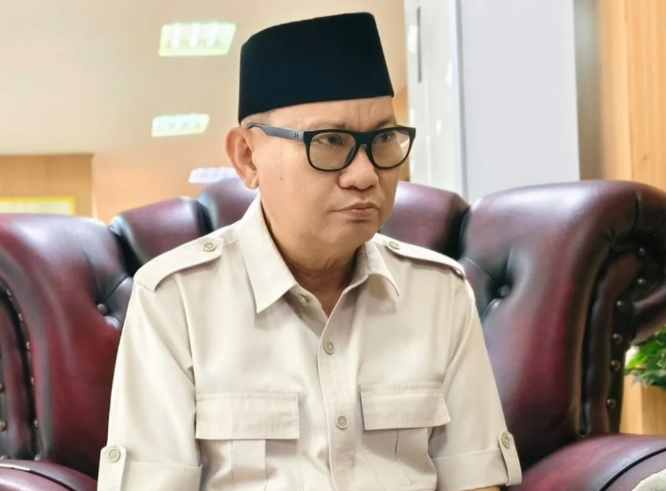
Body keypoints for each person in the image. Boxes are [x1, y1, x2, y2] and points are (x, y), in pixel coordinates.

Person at [97, 12, 522, 491]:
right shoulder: (176, 300)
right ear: (248, 157)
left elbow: (474, 480)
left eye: (383, 139)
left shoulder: (439, 293)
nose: (365, 174)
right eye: (330, 142)